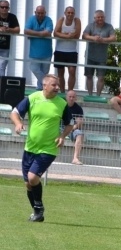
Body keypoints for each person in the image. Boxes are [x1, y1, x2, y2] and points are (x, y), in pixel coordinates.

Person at [9, 74, 73, 222]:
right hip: (30, 147)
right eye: (54, 85)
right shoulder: (33, 98)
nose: (57, 88)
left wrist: (62, 136)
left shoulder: (61, 104)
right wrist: (18, 124)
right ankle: (37, 212)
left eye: (58, 85)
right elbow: (14, 113)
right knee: (28, 184)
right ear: (44, 86)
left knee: (32, 178)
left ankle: (39, 209)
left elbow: (70, 123)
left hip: (48, 148)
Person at [81, 10, 115, 96]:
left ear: (104, 17)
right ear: (94, 18)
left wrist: (103, 40)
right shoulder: (90, 25)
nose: (100, 19)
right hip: (90, 55)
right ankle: (90, 95)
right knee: (89, 76)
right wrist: (93, 38)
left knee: (101, 77)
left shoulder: (109, 26)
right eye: (98, 17)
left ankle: (98, 95)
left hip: (102, 57)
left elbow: (113, 38)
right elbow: (84, 35)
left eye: (102, 17)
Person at [24, 5, 53, 89]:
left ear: (45, 13)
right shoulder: (31, 19)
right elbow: (26, 31)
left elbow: (48, 32)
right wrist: (40, 33)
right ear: (35, 12)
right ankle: (48, 84)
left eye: (42, 13)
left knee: (44, 71)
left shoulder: (48, 20)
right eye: (38, 13)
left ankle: (40, 88)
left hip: (46, 51)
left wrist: (33, 33)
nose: (40, 15)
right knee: (34, 69)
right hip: (34, 52)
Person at [52, 6, 81, 93]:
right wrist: (67, 36)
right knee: (60, 73)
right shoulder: (61, 20)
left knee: (72, 72)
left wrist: (63, 34)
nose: (70, 14)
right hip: (60, 50)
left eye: (72, 13)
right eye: (68, 12)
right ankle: (62, 92)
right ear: (65, 13)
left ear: (74, 14)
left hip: (72, 51)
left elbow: (77, 35)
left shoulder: (77, 21)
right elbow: (55, 33)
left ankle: (70, 92)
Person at [0, 0, 21, 77]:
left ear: (9, 8)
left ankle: (1, 86)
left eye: (6, 7)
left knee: (1, 67)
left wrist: (9, 30)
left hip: (6, 46)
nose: (4, 9)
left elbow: (17, 30)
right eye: (2, 7)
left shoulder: (12, 17)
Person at [64, 89, 84, 165]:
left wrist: (71, 128)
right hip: (60, 128)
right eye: (70, 96)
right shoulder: (62, 106)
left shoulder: (78, 108)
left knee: (79, 134)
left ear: (76, 98)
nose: (71, 98)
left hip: (72, 129)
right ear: (66, 97)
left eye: (73, 97)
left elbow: (79, 122)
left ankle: (75, 158)